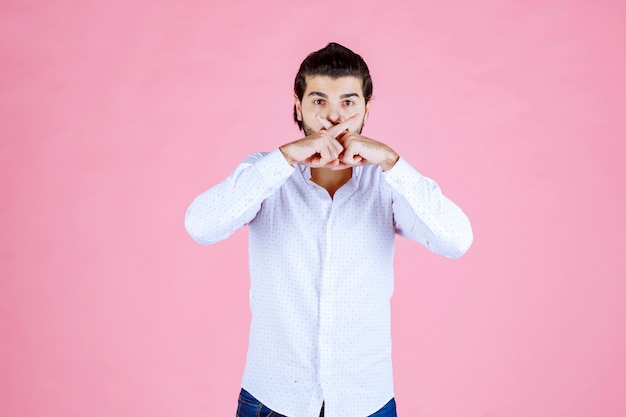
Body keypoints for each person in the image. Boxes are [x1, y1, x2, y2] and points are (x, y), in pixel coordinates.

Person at [185, 42, 473, 417]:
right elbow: (200, 226)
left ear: (368, 108)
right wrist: (285, 158)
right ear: (297, 104)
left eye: (349, 103)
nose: (334, 117)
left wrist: (390, 161)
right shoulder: (265, 174)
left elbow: (457, 240)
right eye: (319, 102)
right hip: (272, 399)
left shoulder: (387, 183)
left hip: (365, 400)